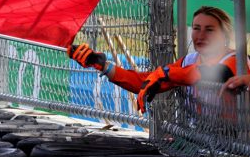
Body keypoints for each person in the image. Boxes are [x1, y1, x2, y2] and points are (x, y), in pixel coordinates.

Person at [68, 6, 250, 113]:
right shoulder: (189, 60)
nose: (201, 35)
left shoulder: (236, 59)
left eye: (210, 30)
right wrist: (102, 65)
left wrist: (165, 74)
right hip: (202, 141)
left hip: (237, 143)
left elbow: (215, 74)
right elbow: (146, 81)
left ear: (225, 35)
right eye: (196, 28)